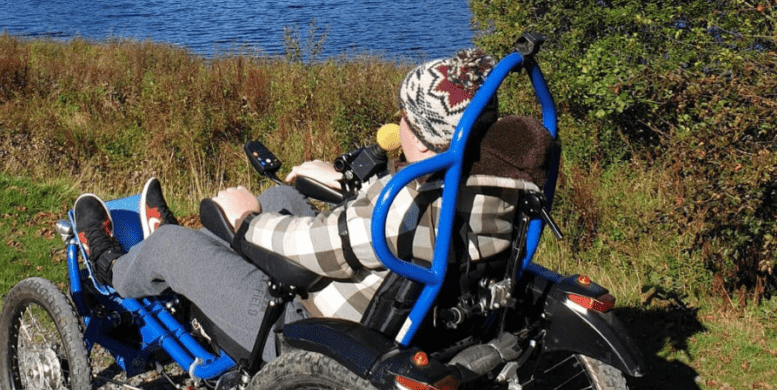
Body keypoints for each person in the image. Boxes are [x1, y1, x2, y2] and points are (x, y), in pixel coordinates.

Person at [74, 49, 545, 362]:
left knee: (177, 244)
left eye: (403, 115)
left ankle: (113, 265)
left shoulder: (399, 208)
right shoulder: (496, 191)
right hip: (404, 322)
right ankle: (191, 273)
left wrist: (246, 221)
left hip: (312, 336)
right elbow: (380, 220)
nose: (396, 121)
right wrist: (348, 190)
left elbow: (316, 244)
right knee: (283, 195)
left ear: (420, 134)